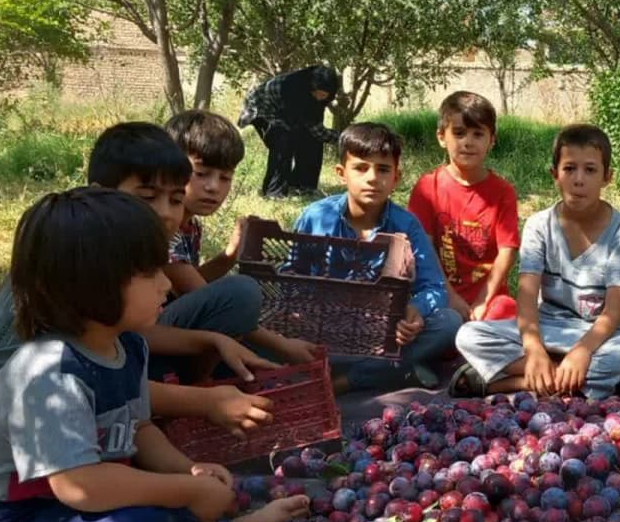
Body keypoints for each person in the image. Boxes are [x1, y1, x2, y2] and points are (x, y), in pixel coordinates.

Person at [0, 188, 309, 522]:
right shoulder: (50, 372)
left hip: (86, 513)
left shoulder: (128, 347)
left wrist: (189, 470)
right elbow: (80, 486)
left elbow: (139, 429)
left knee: (149, 521)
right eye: (149, 274)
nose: (167, 283)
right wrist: (184, 491)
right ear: (91, 287)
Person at [0, 124, 280, 509]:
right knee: (83, 472)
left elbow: (115, 349)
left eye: (174, 199)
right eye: (148, 197)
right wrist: (204, 405)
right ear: (101, 196)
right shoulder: (71, 264)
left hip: (40, 409)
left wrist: (209, 340)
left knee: (114, 441)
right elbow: (83, 378)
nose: (166, 215)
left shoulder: (112, 268)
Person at [452, 124, 620, 399]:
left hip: (602, 337)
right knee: (468, 335)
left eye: (590, 170)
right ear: (555, 175)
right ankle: (575, 383)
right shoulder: (540, 225)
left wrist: (582, 351)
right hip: (549, 327)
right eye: (569, 169)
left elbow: (614, 311)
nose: (578, 180)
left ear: (607, 177)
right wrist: (534, 349)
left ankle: (501, 385)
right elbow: (527, 296)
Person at [292, 122, 461, 394]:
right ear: (341, 173)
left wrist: (415, 312)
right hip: (325, 331)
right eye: (360, 167)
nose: (372, 178)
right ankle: (392, 372)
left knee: (449, 324)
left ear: (396, 177)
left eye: (383, 169)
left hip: (385, 332)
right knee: (264, 337)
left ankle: (347, 382)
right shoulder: (315, 217)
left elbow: (433, 287)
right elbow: (291, 278)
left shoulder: (407, 225)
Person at [163, 110, 320, 367]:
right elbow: (204, 295)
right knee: (242, 291)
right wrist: (282, 345)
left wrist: (231, 254)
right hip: (156, 341)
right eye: (201, 173)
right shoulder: (165, 228)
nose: (214, 187)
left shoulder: (191, 225)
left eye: (225, 177)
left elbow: (194, 288)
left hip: (177, 328)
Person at [407, 91, 520, 322]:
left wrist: (483, 299)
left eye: (478, 134)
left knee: (506, 311)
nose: (468, 142)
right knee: (437, 322)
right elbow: (423, 250)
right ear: (441, 136)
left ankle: (473, 347)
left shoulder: (503, 192)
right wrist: (451, 296)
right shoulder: (428, 187)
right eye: (459, 133)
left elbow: (507, 251)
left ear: (492, 140)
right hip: (440, 292)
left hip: (488, 297)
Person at [238, 65, 340, 197]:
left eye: (322, 95)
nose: (318, 97)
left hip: (286, 111)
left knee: (312, 141)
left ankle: (303, 186)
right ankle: (273, 192)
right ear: (311, 88)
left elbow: (314, 126)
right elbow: (315, 129)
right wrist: (342, 138)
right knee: (283, 142)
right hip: (262, 109)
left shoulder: (320, 93)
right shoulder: (295, 88)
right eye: (316, 93)